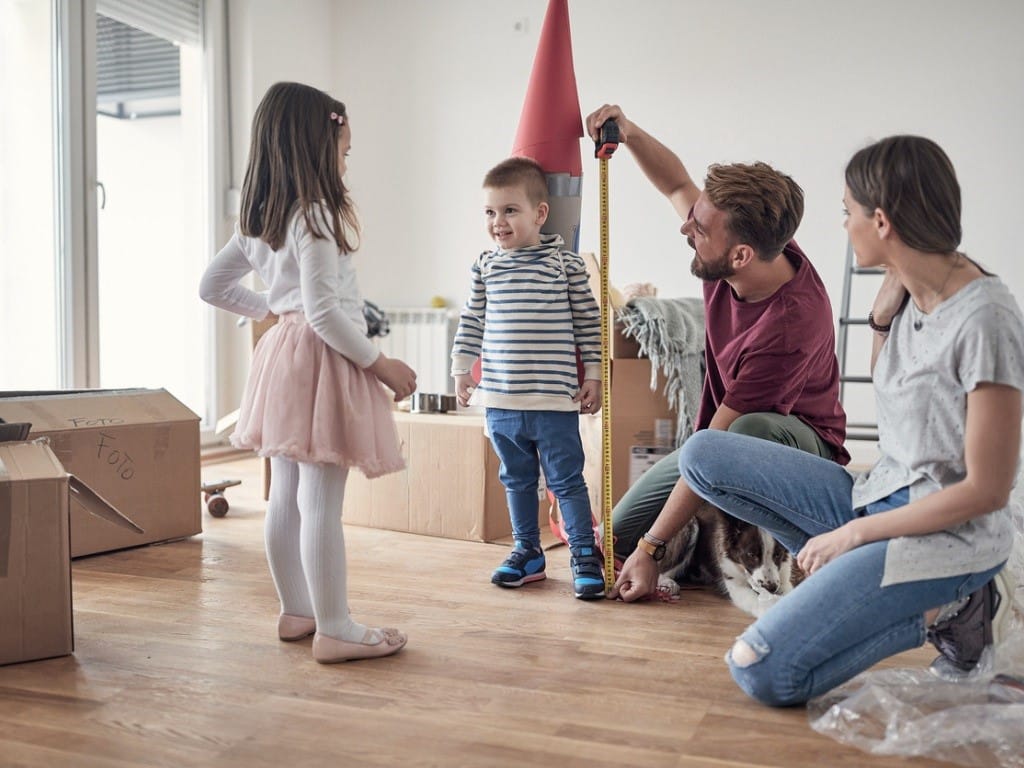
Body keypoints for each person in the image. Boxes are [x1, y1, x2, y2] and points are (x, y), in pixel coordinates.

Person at [676, 135, 1022, 706]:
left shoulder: (986, 320)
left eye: (848, 213)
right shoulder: (909, 291)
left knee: (761, 671)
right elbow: (900, 405)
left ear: (881, 221)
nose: (844, 225)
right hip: (878, 496)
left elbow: (987, 491)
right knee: (702, 455)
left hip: (943, 537)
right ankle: (853, 570)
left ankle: (959, 610)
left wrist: (853, 536)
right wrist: (881, 321)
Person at [583, 105, 848, 595]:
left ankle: (767, 543)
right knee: (613, 541)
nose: (687, 229)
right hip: (718, 435)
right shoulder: (745, 245)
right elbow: (675, 183)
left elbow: (720, 443)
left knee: (744, 433)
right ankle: (699, 536)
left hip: (803, 449)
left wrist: (652, 550)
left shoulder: (788, 328)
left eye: (699, 230)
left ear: (740, 255)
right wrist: (632, 132)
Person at [199, 82, 416, 663]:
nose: (345, 161)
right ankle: (336, 627)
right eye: (343, 150)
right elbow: (323, 311)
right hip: (323, 355)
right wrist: (382, 364)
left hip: (281, 356)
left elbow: (212, 286)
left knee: (286, 492)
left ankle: (297, 610)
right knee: (320, 498)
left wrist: (269, 309)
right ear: (316, 145)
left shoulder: (260, 217)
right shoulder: (317, 212)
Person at [451, 156, 606, 599]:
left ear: (540, 213)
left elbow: (588, 323)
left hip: (554, 402)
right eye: (490, 212)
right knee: (515, 479)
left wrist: (593, 374)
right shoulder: (486, 266)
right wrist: (462, 370)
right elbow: (471, 321)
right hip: (501, 401)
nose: (498, 222)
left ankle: (581, 553)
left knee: (566, 481)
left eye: (509, 210)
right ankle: (527, 551)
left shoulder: (565, 266)